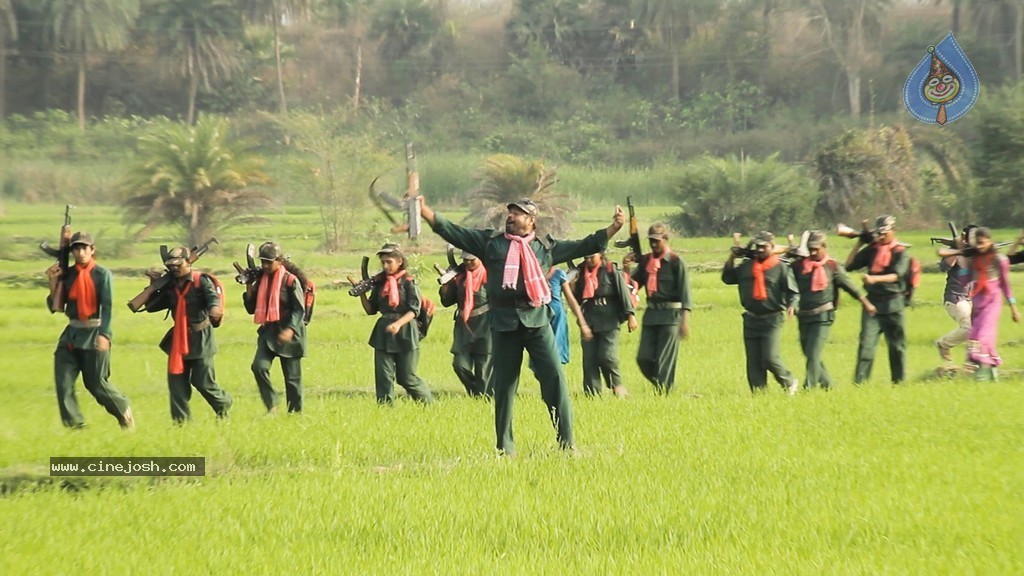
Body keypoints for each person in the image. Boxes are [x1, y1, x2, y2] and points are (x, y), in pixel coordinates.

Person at [419, 196, 625, 455]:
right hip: (504, 324)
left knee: (554, 380)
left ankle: (566, 443)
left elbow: (584, 245)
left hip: (537, 322)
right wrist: (425, 211)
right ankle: (505, 447)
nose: (511, 217)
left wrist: (613, 228)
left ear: (531, 220)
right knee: (503, 387)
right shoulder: (491, 244)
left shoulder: (545, 248)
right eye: (510, 212)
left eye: (517, 213)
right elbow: (454, 232)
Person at [46, 231, 134, 429]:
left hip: (95, 332)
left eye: (84, 248)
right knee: (63, 383)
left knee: (96, 383)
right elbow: (55, 306)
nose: (80, 252)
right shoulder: (67, 275)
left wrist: (105, 335)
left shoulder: (102, 274)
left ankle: (123, 410)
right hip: (71, 335)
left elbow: (108, 307)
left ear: (92, 250)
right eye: (76, 248)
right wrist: (53, 282)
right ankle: (75, 427)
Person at [136, 246, 232, 422]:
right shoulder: (170, 285)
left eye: (178, 264)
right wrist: (153, 285)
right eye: (171, 265)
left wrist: (215, 310)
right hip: (179, 339)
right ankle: (181, 423)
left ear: (188, 262)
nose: (174, 268)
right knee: (177, 385)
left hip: (201, 337)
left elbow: (213, 299)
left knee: (203, 383)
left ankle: (223, 405)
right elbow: (151, 307)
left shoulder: (200, 281)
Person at [790, 231, 876, 390]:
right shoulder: (799, 267)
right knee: (809, 353)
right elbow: (788, 285)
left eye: (816, 249)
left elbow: (850, 287)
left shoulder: (832, 266)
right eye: (810, 249)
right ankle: (829, 386)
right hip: (803, 316)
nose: (813, 252)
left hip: (823, 316)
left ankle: (809, 388)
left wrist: (866, 303)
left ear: (824, 247)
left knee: (814, 353)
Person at [722, 231, 800, 394]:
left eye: (764, 247)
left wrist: (792, 305)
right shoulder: (746, 267)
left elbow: (793, 291)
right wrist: (732, 257)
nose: (760, 250)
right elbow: (728, 278)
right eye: (758, 247)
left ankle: (789, 381)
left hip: (772, 319)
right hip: (750, 319)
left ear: (772, 247)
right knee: (753, 362)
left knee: (770, 357)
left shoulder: (780, 268)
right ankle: (759, 395)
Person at [359, 243, 434, 404]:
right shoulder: (379, 283)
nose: (385, 266)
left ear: (399, 261)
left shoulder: (408, 282)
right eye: (383, 262)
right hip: (384, 331)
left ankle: (429, 404)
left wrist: (398, 324)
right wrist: (361, 294)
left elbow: (415, 310)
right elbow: (371, 309)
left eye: (389, 262)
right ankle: (385, 409)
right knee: (383, 376)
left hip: (406, 330)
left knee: (407, 377)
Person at [623, 223, 691, 394]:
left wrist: (684, 322)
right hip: (652, 314)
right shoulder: (646, 261)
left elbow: (686, 296)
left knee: (664, 360)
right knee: (643, 358)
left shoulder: (676, 262)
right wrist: (626, 269)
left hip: (671, 316)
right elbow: (633, 286)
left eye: (657, 241)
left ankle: (664, 393)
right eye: (651, 241)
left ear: (665, 239)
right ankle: (664, 387)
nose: (653, 244)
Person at [844, 215, 911, 384]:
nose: (881, 237)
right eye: (879, 234)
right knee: (866, 345)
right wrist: (860, 241)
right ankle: (860, 383)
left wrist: (875, 279)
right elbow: (849, 265)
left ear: (894, 231)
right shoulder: (872, 250)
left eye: (885, 233)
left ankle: (899, 382)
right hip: (872, 304)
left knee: (896, 347)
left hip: (894, 303)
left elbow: (897, 275)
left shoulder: (900, 253)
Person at [242, 241, 307, 413]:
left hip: (290, 334)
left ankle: (295, 414)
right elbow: (250, 308)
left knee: (292, 379)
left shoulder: (290, 281)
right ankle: (272, 405)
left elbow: (299, 310)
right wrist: (249, 285)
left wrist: (290, 329)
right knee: (259, 367)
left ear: (279, 260)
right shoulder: (261, 280)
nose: (265, 265)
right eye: (262, 262)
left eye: (268, 262)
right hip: (269, 332)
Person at [571, 251, 638, 397]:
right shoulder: (581, 271)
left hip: (609, 319)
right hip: (589, 319)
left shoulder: (610, 269)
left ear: (600, 255)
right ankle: (591, 393)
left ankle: (616, 384)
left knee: (607, 356)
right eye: (586, 257)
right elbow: (576, 300)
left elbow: (623, 293)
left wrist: (630, 315)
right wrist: (572, 286)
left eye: (591, 257)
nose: (588, 260)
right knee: (589, 359)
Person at [960, 228, 1020, 381]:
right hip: (977, 303)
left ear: (990, 241)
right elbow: (964, 281)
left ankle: (981, 377)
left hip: (992, 303)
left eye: (982, 243)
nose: (979, 247)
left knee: (982, 337)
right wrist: (962, 260)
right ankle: (992, 376)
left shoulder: (1000, 260)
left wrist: (1013, 308)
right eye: (976, 244)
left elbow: (1006, 286)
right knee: (974, 337)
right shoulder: (973, 261)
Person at [439, 250, 493, 397]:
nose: (468, 263)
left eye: (471, 260)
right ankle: (475, 393)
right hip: (464, 327)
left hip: (485, 326)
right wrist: (446, 284)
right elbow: (446, 301)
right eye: (465, 260)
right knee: (459, 364)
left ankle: (483, 399)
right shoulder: (460, 277)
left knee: (483, 369)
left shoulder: (490, 275)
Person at [935, 225, 976, 363]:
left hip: (971, 299)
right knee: (969, 328)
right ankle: (943, 344)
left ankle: (972, 362)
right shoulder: (955, 252)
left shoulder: (975, 253)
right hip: (956, 299)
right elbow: (944, 267)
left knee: (980, 330)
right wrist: (957, 250)